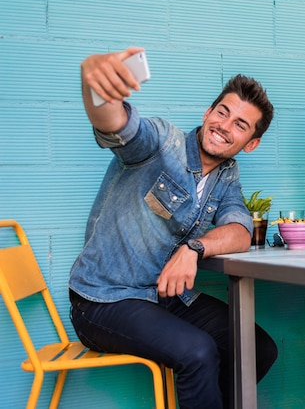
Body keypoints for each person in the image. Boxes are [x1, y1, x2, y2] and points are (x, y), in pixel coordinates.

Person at [69, 47, 278, 409]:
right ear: (207, 112)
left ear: (252, 144)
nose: (224, 126)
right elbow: (116, 124)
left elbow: (240, 230)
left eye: (240, 125)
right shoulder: (163, 143)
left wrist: (193, 249)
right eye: (222, 112)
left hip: (162, 297)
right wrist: (96, 84)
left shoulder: (226, 176)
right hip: (103, 300)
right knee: (198, 353)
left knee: (256, 348)